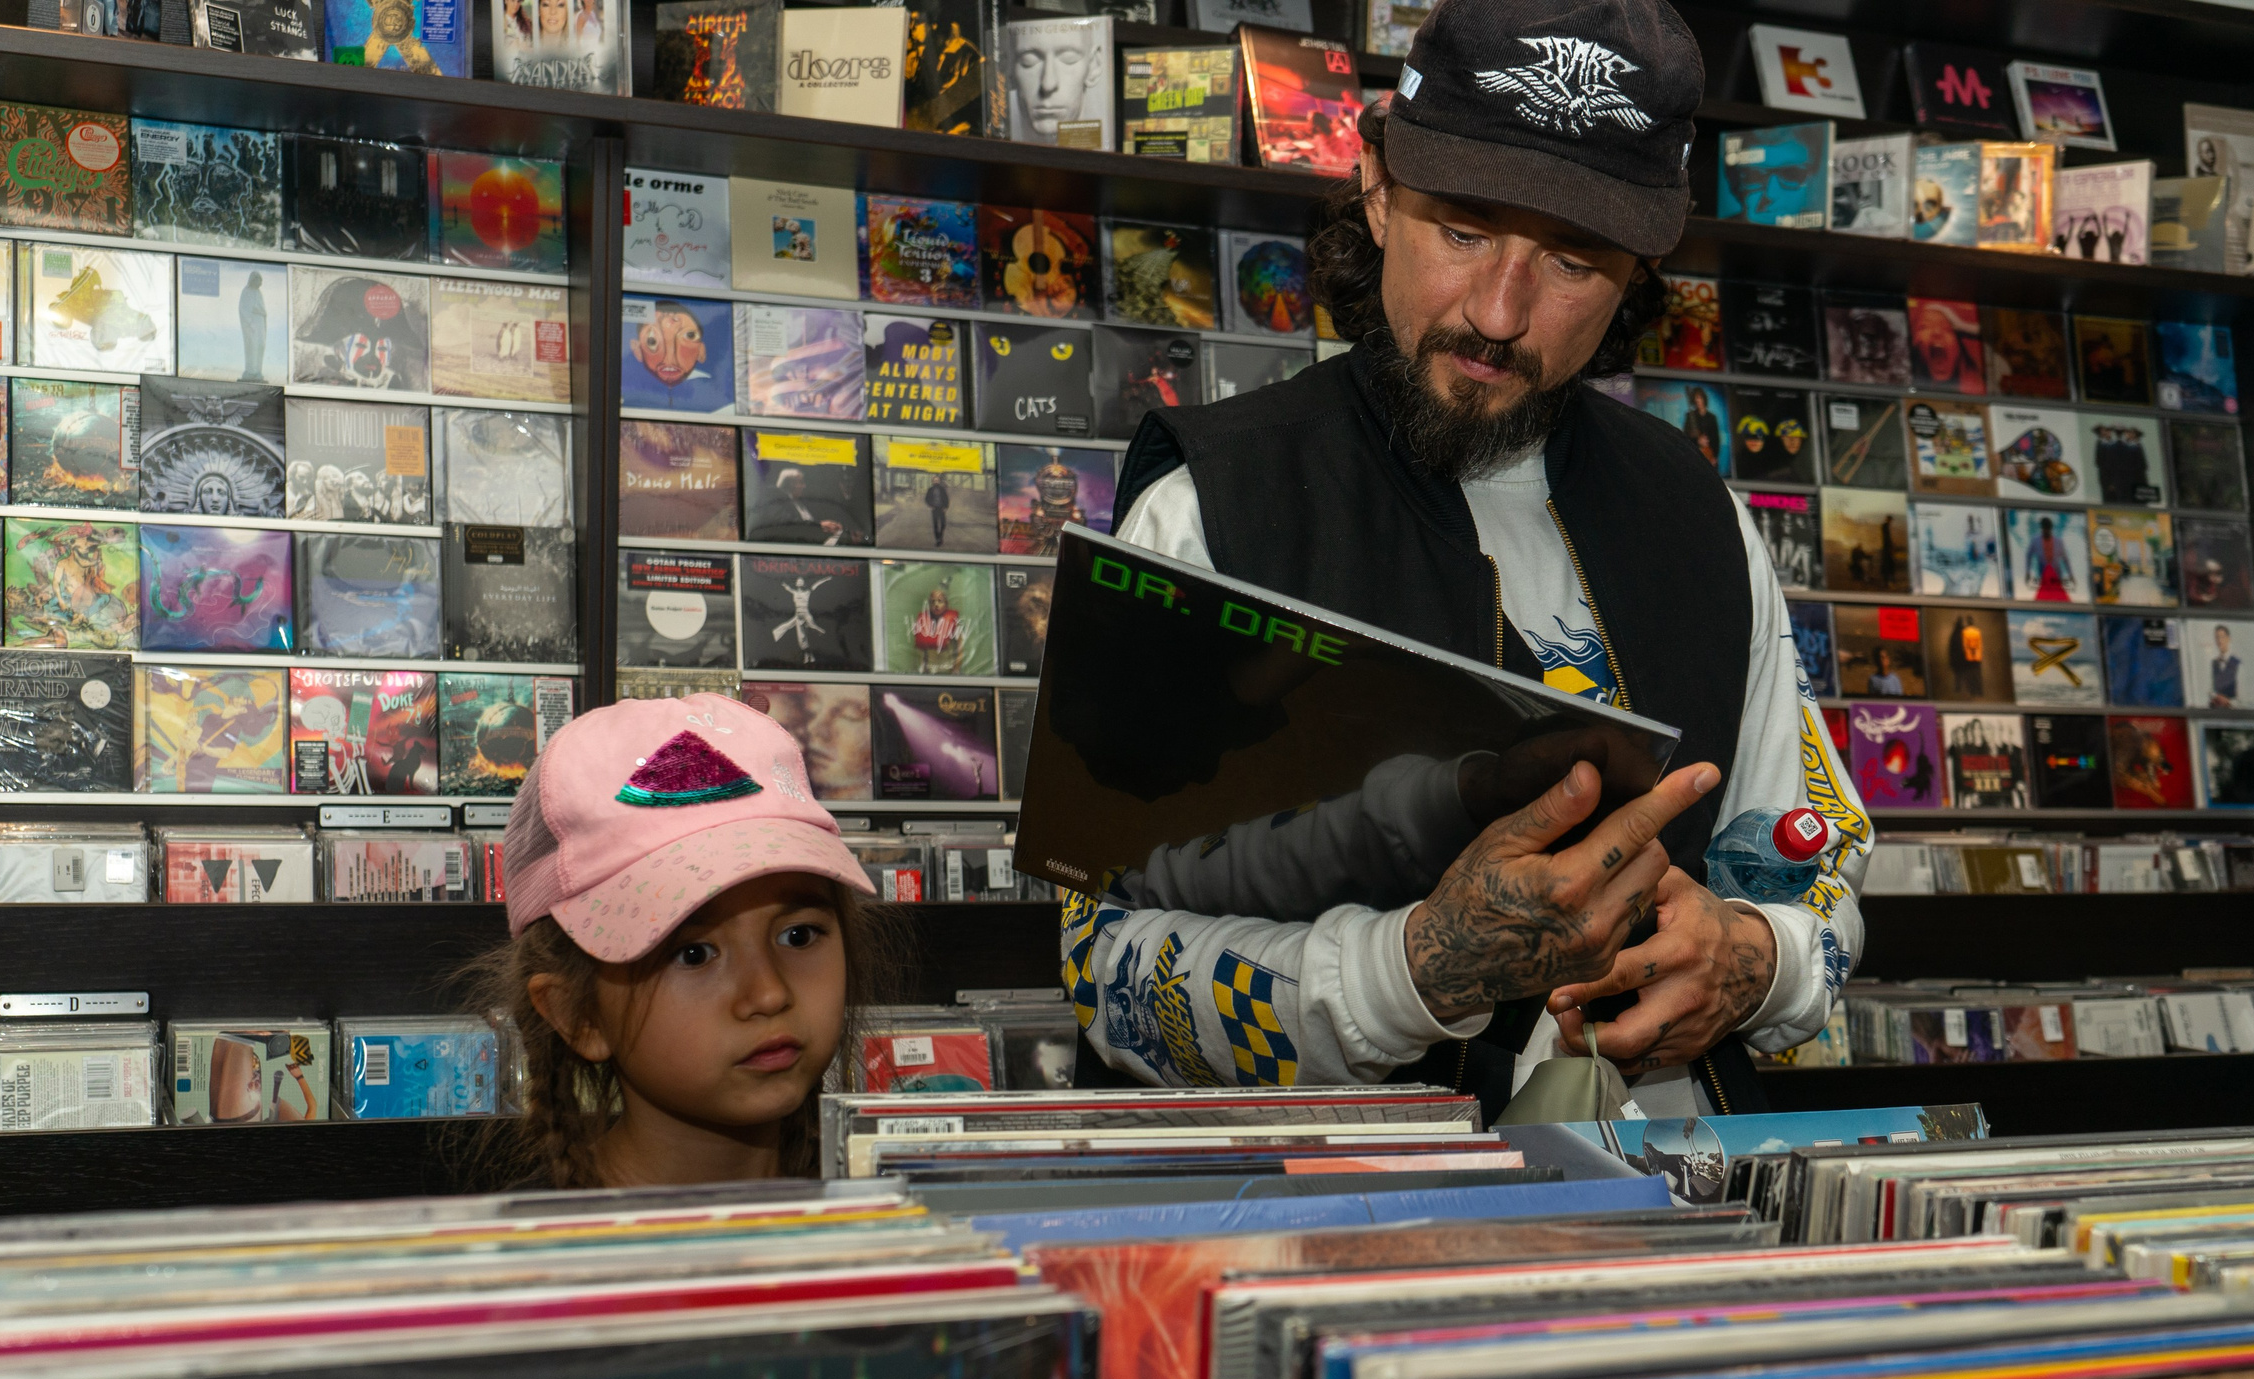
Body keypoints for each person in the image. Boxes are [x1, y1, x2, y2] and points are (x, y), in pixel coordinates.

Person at [1084, 0, 1872, 1119]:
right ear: (1375, 187)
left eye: (1569, 259)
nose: (1499, 314)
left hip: (1667, 1232)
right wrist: (1411, 970)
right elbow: (1102, 968)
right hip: (1343, 1231)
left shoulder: (1701, 515)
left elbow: (1817, 851)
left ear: (1640, 269)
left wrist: (1757, 957)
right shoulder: (1210, 507)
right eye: (1461, 231)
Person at [468, 694, 902, 1187]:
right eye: (693, 954)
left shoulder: (903, 1215)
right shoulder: (528, 1258)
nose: (769, 994)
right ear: (578, 1015)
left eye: (797, 936)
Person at [2204, 624, 2241, 707]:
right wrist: (2215, 697)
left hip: (2233, 712)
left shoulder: (2237, 663)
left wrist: (2229, 702)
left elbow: (2243, 696)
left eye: (2222, 637)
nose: (2219, 641)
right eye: (2217, 637)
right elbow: (2210, 689)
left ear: (2228, 639)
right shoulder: (2214, 663)